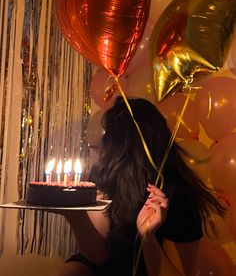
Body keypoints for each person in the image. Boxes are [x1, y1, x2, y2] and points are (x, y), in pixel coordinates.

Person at [50, 97, 226, 276]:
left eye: (109, 134)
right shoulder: (104, 173)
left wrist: (148, 238)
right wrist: (73, 214)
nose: (104, 143)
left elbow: (179, 271)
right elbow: (96, 255)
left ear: (119, 140)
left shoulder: (178, 193)